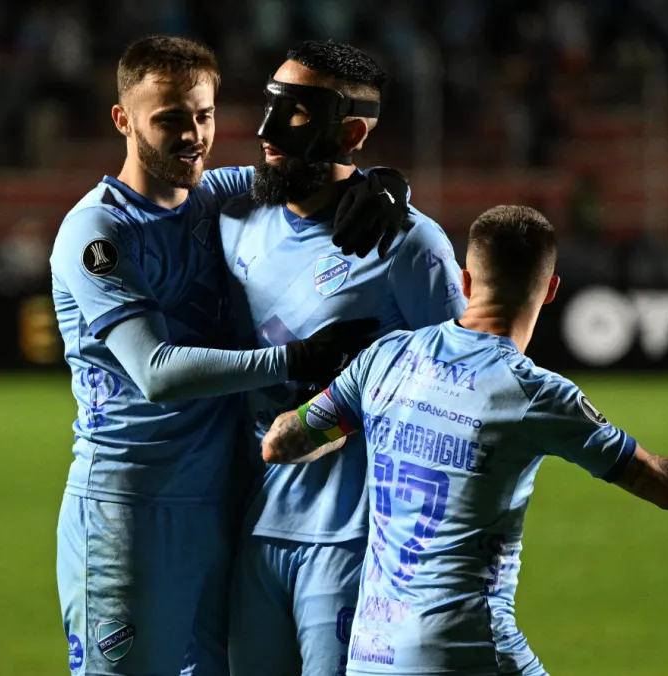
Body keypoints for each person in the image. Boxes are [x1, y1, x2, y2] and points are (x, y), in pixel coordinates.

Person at [261, 204, 668, 675]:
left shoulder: (386, 357)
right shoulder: (536, 394)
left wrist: (357, 424)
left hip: (373, 654)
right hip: (470, 652)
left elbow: (282, 442)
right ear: (550, 290)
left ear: (466, 281)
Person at [50, 35, 407, 676]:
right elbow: (155, 372)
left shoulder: (219, 196)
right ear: (122, 119)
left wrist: (383, 184)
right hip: (129, 510)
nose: (192, 136)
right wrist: (297, 360)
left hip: (220, 503)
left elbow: (314, 174)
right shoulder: (95, 233)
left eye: (203, 116)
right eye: (169, 120)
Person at [219, 40, 467, 676]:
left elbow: (465, 381)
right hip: (258, 525)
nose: (268, 129)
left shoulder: (410, 244)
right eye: (270, 104)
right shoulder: (235, 218)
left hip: (357, 537)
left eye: (297, 113)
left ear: (351, 130)